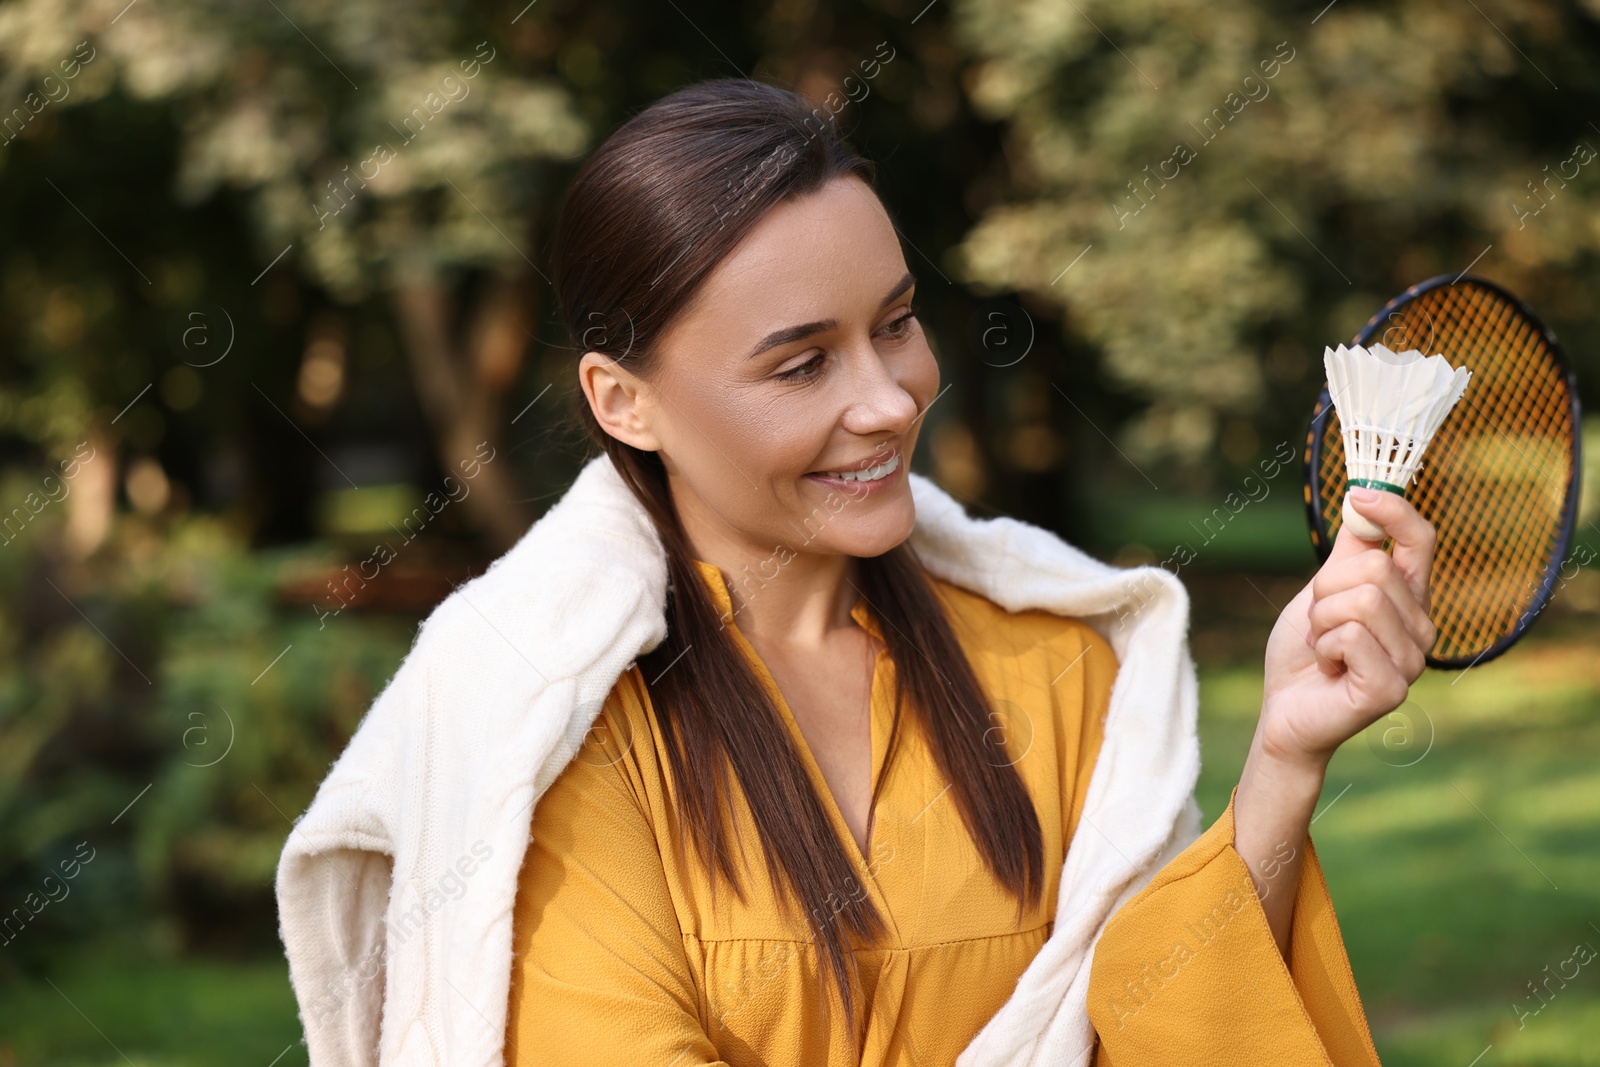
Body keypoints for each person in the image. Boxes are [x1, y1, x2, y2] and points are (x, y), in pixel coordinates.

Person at [499, 78, 1437, 1065]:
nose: (890, 402)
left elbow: (1154, 1032)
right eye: (802, 364)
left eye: (895, 324)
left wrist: (1282, 763)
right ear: (623, 401)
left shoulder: (1064, 664)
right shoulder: (563, 719)